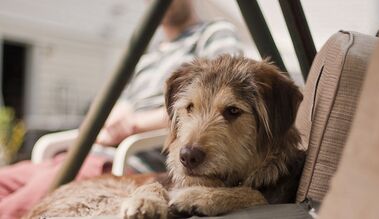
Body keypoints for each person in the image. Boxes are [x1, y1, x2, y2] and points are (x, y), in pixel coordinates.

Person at [0, 0, 243, 218]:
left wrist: (132, 125)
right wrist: (104, 125)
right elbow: (120, 106)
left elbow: (218, 99)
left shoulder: (212, 33)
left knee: (17, 206)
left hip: (128, 159)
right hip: (92, 152)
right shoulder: (147, 55)